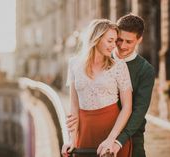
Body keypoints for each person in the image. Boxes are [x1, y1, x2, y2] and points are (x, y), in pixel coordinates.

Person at [66, 14, 155, 157]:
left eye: (128, 41)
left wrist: (116, 140)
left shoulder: (144, 70)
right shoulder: (80, 62)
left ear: (139, 40)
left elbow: (137, 112)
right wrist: (72, 135)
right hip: (89, 128)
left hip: (130, 133)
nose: (120, 45)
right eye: (118, 40)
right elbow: (74, 104)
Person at [61, 19, 133, 157]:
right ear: (96, 38)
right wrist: (72, 140)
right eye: (110, 40)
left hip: (112, 131)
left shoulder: (119, 66)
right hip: (85, 132)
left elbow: (127, 106)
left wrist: (112, 139)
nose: (114, 46)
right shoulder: (74, 64)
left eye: (115, 41)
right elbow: (74, 107)